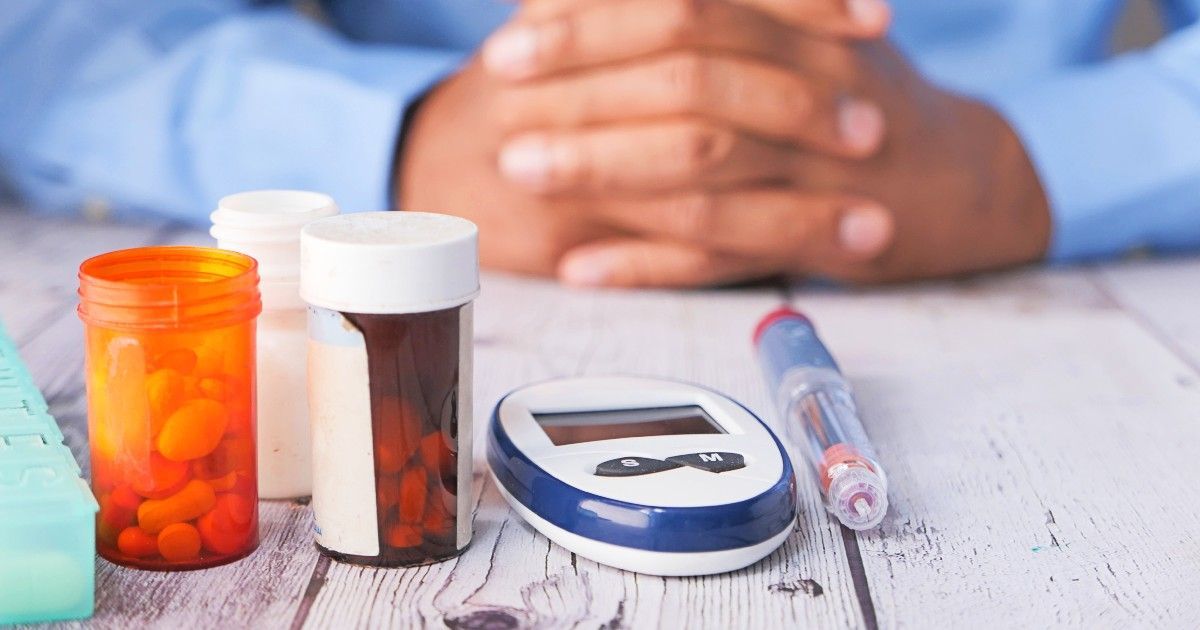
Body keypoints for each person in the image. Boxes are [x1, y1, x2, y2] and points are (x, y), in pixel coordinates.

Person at [1, 1, 1198, 287]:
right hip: (449, 233)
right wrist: (398, 144)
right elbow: (57, 35)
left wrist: (1035, 163)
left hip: (1049, 290)